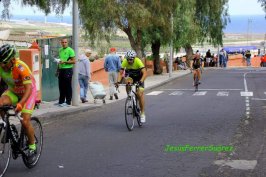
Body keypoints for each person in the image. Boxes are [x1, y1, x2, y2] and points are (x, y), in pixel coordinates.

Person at [0, 44, 37, 162]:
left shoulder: (20, 67)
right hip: (13, 91)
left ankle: (32, 146)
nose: (2, 65)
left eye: (4, 62)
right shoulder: (1, 66)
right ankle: (9, 128)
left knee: (25, 120)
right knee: (0, 103)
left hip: (28, 92)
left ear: (12, 59)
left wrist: (21, 104)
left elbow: (29, 89)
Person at [116, 50, 147, 123]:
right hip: (131, 76)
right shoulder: (125, 61)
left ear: (134, 58)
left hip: (140, 78)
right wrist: (117, 82)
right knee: (127, 83)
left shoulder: (138, 61)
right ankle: (129, 97)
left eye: (131, 59)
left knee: (139, 94)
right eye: (128, 59)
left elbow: (145, 73)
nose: (129, 61)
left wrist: (141, 81)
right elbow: (120, 73)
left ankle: (142, 113)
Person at [57, 38, 76, 107]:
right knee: (61, 86)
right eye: (63, 42)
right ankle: (61, 101)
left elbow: (74, 61)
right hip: (61, 70)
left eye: (65, 42)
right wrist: (57, 70)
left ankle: (68, 102)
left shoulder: (70, 50)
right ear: (61, 43)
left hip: (68, 70)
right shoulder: (60, 50)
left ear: (67, 43)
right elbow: (60, 61)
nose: (64, 43)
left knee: (67, 86)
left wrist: (65, 62)